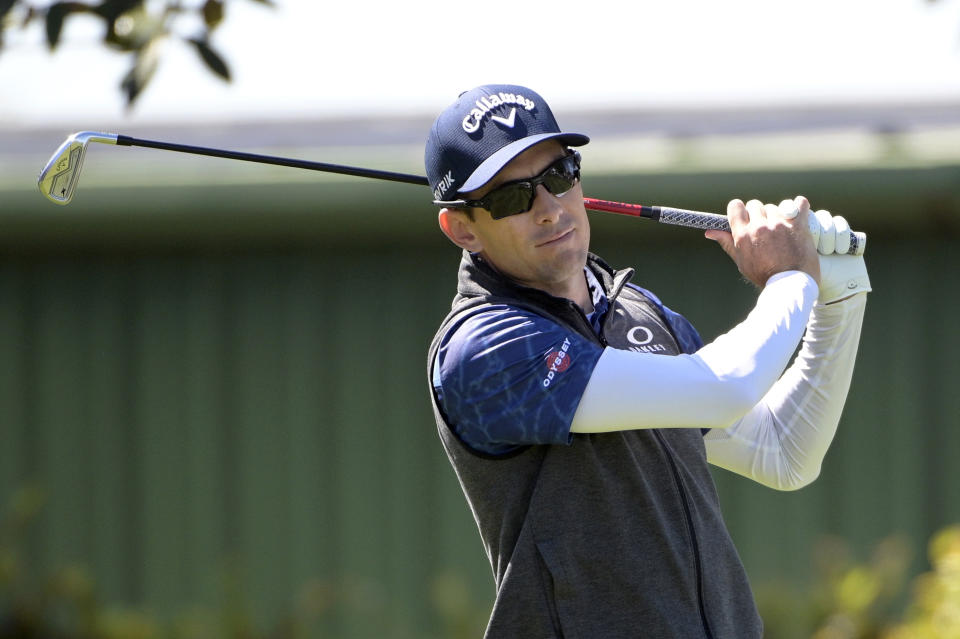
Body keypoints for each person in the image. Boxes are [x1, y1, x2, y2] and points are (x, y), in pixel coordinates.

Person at [424, 84, 870, 638]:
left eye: (560, 176)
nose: (548, 209)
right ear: (462, 227)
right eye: (512, 198)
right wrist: (791, 277)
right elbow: (727, 385)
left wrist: (839, 298)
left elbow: (784, 451)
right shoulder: (483, 348)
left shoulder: (635, 310)